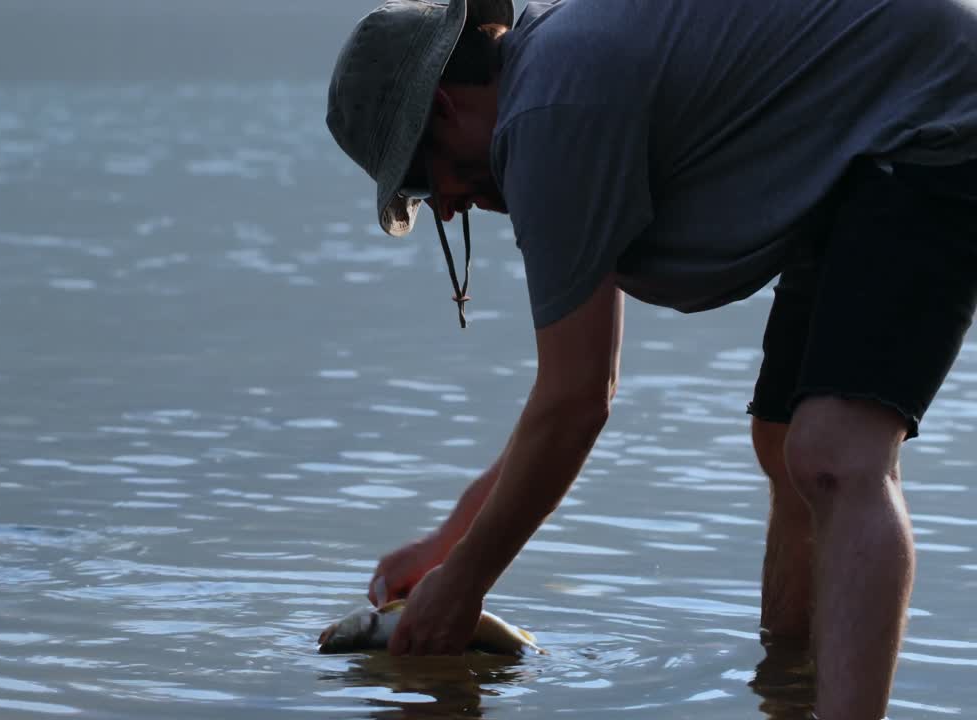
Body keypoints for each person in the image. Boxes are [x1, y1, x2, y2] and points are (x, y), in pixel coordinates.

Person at [325, 0, 977, 717]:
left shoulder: (548, 115)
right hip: (860, 145)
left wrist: (466, 581)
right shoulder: (553, 88)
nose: (446, 208)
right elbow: (570, 393)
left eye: (423, 180)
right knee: (786, 440)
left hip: (937, 110)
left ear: (444, 108)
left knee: (837, 454)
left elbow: (577, 400)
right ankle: (789, 691)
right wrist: (449, 547)